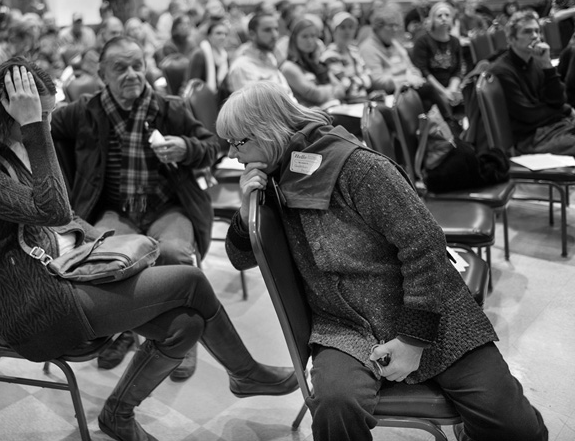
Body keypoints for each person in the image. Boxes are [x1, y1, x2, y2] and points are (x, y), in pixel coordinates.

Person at [0, 58, 298, 441]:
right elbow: (53, 208)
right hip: (36, 311)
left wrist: (95, 240)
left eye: (46, 116)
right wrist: (34, 129)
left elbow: (53, 218)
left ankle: (118, 414)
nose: (45, 124)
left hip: (59, 275)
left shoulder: (2, 151)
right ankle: (245, 374)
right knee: (191, 281)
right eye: (38, 116)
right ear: (9, 109)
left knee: (186, 325)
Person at [216, 82, 548, 441]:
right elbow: (240, 258)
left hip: (428, 311)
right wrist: (246, 207)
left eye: (239, 143)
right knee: (334, 407)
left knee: (517, 428)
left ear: (270, 131)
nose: (233, 156)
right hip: (344, 326)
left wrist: (412, 340)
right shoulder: (273, 181)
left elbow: (424, 244)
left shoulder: (357, 167)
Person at [51, 36, 219, 380]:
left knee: (173, 255)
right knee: (113, 262)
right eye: (120, 67)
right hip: (116, 210)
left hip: (167, 208)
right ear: (102, 75)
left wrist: (185, 148)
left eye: (137, 65)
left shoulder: (169, 108)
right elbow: (45, 130)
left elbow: (213, 145)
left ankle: (181, 341)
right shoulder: (84, 112)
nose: (131, 74)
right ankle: (124, 330)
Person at [489, 10, 574, 154]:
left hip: (552, 127)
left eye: (537, 31)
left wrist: (547, 66)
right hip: (529, 138)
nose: (535, 36)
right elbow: (528, 115)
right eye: (527, 32)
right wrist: (564, 111)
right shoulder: (502, 71)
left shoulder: (537, 61)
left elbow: (558, 100)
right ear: (511, 39)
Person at [359, 3, 456, 126]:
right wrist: (406, 80)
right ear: (378, 27)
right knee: (428, 92)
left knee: (427, 100)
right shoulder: (368, 48)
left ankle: (443, 130)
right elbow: (377, 80)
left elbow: (412, 67)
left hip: (407, 89)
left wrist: (414, 76)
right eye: (391, 26)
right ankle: (450, 125)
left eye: (396, 25)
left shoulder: (394, 44)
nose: (395, 30)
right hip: (389, 94)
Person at [280, 15, 346, 108]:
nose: (310, 40)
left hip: (331, 109)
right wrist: (333, 90)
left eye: (313, 36)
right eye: (305, 36)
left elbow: (340, 88)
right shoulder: (288, 67)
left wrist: (334, 89)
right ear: (294, 39)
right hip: (309, 116)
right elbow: (314, 94)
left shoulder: (317, 62)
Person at [411, 2, 465, 106]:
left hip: (451, 86)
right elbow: (423, 71)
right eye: (439, 16)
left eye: (447, 15)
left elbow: (458, 70)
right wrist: (443, 92)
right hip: (431, 88)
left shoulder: (455, 42)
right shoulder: (422, 41)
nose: (444, 18)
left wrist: (452, 89)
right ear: (432, 20)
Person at [227, 13, 291, 97]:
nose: (275, 35)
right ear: (252, 34)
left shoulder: (270, 56)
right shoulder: (242, 67)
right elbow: (255, 107)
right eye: (267, 30)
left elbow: (287, 93)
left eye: (276, 29)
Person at [321, 11, 371, 103]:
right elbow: (346, 85)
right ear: (334, 31)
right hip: (345, 103)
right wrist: (362, 81)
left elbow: (368, 77)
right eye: (342, 27)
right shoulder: (329, 55)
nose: (347, 31)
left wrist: (360, 81)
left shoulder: (354, 51)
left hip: (363, 99)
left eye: (351, 27)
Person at [187, 20, 229, 94]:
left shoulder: (224, 55)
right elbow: (193, 85)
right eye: (218, 33)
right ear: (209, 36)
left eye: (225, 34)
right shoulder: (199, 55)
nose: (223, 37)